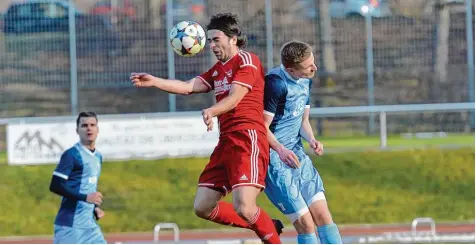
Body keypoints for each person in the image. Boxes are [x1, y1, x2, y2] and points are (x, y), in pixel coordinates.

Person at [130, 13, 282, 244]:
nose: (210, 45)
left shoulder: (247, 61)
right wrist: (155, 81)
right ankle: (266, 224)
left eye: (215, 39)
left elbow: (235, 98)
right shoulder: (218, 69)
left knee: (244, 206)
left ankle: (270, 236)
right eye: (209, 40)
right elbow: (189, 86)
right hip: (226, 142)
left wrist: (212, 111)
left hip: (247, 137)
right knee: (202, 206)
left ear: (233, 38)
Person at [263, 41, 343, 244]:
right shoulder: (275, 84)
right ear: (290, 69)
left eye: (313, 61)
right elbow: (260, 127)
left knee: (324, 216)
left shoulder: (306, 79)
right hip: (274, 160)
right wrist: (280, 150)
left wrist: (312, 139)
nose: (314, 68)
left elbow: (303, 120)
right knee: (306, 224)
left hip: (297, 155)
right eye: (309, 66)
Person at [49, 111, 106, 244]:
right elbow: (55, 185)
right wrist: (85, 198)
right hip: (70, 227)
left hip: (90, 227)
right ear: (77, 130)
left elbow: (88, 185)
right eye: (84, 125)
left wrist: (94, 207)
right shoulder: (71, 154)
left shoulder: (98, 156)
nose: (89, 128)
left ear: (98, 129)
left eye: (92, 125)